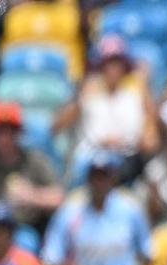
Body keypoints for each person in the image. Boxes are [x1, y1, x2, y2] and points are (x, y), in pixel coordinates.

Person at [54, 35, 159, 186]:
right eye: (108, 63)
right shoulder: (89, 94)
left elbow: (150, 143)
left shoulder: (135, 97)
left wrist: (144, 86)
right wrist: (80, 98)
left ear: (124, 67)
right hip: (91, 158)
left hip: (125, 159)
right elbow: (56, 126)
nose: (112, 69)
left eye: (117, 63)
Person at [0, 102, 64, 245]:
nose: (3, 138)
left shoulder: (34, 159)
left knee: (27, 243)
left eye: (9, 131)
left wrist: (32, 196)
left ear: (17, 133)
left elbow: (58, 197)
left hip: (25, 228)